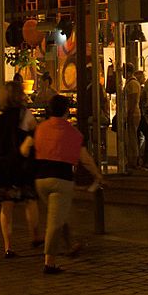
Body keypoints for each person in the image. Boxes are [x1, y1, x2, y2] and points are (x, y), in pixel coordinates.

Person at [22, 95, 102, 274]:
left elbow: (24, 148)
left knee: (58, 213)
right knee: (54, 221)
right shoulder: (73, 133)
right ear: (67, 111)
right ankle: (49, 262)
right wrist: (97, 174)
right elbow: (85, 159)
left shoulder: (40, 128)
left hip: (41, 179)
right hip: (61, 179)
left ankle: (70, 244)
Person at [0, 76, 40, 257]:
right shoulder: (24, 114)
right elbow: (35, 131)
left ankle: (8, 246)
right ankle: (34, 236)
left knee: (6, 207)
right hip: (20, 164)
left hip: (1, 165)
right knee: (30, 200)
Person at [118, 65, 142, 171]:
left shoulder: (132, 83)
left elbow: (133, 101)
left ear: (128, 72)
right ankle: (132, 160)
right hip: (131, 113)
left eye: (123, 72)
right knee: (131, 138)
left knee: (132, 138)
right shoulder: (131, 83)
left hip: (133, 114)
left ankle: (133, 161)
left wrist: (129, 115)